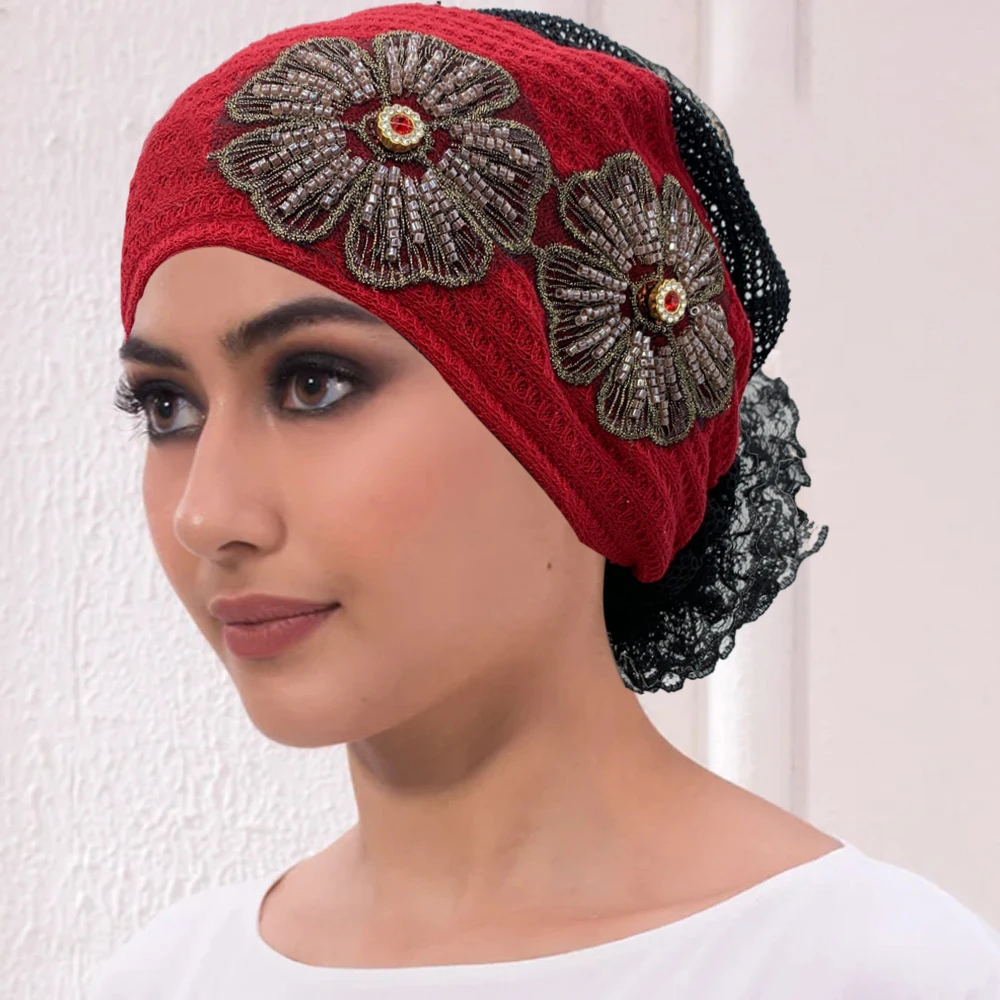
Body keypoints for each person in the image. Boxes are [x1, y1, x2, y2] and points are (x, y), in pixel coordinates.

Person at [88, 5, 1000, 998]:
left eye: (314, 383)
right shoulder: (163, 979)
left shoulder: (873, 972)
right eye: (167, 406)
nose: (208, 515)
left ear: (584, 424)